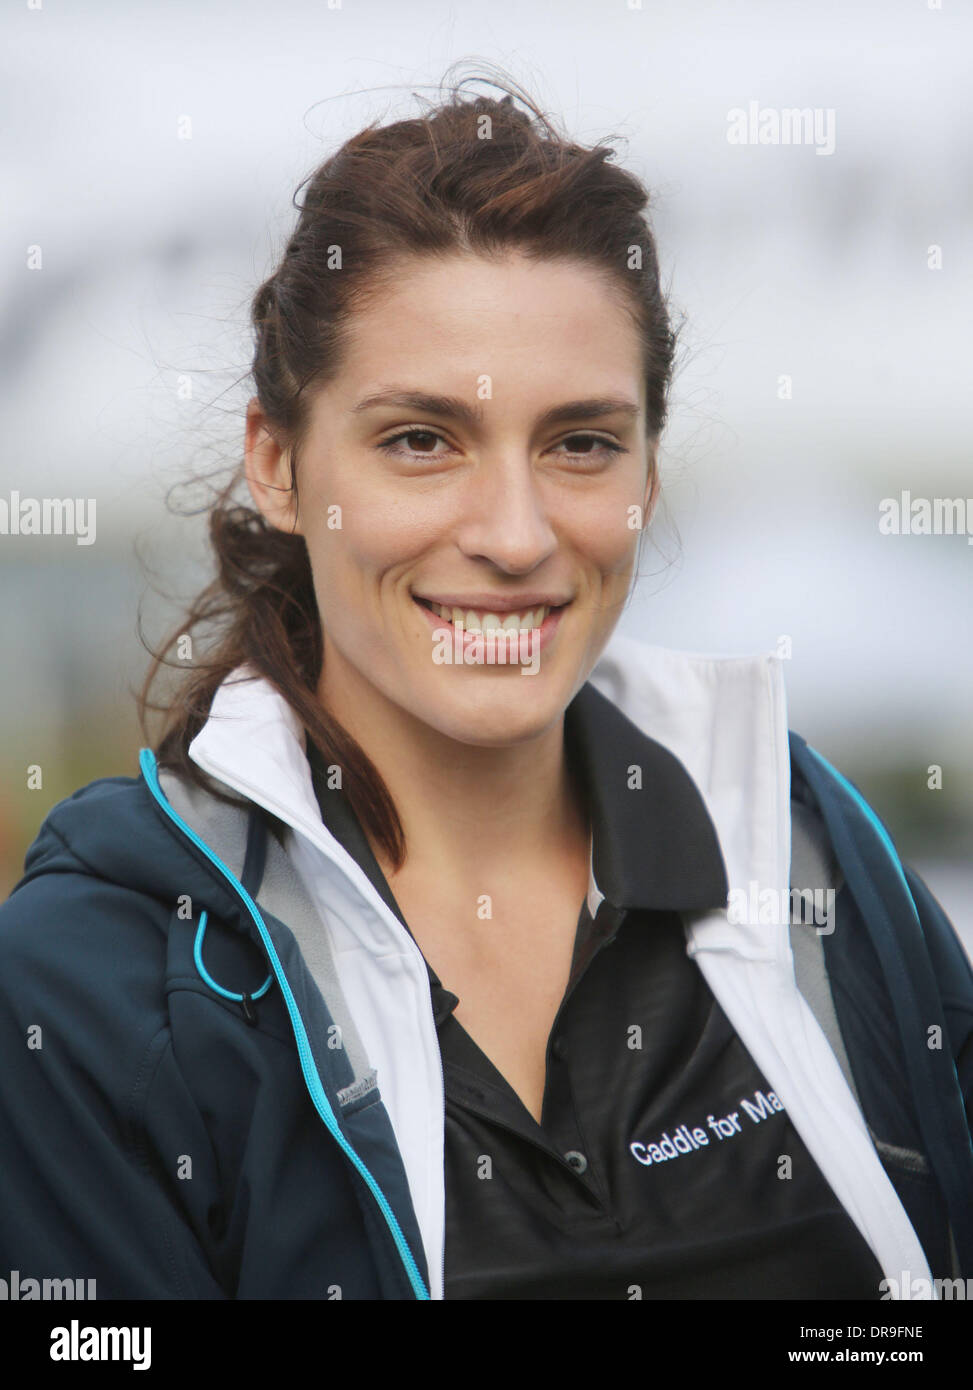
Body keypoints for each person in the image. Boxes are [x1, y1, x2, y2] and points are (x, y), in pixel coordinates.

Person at [1, 71, 970, 1302]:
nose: (514, 534)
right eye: (421, 440)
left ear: (647, 477)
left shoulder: (824, 865)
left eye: (580, 443)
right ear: (279, 467)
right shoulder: (88, 985)